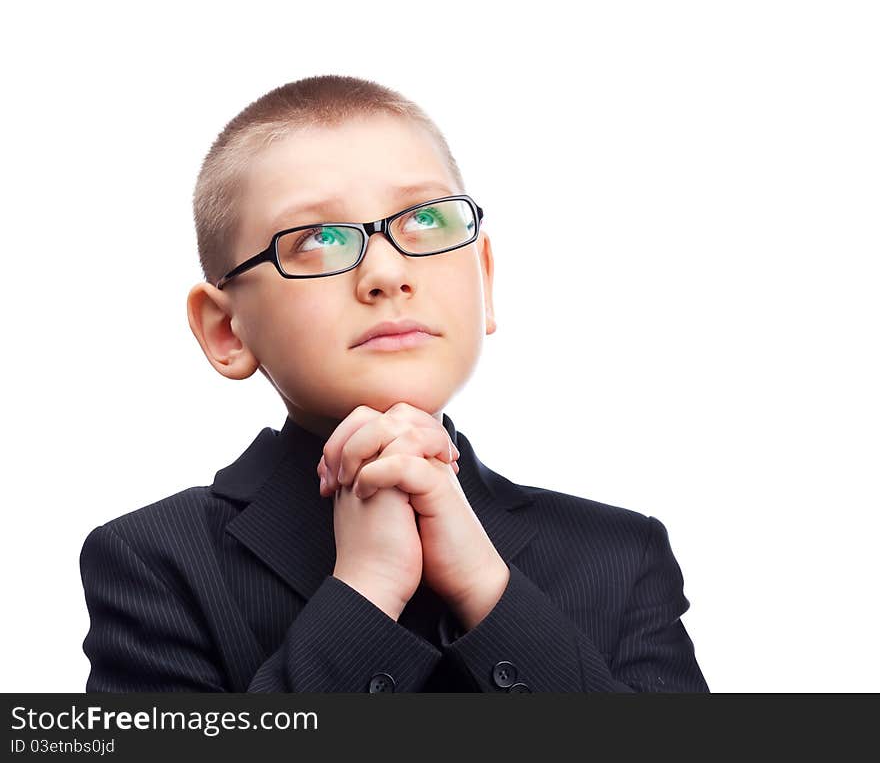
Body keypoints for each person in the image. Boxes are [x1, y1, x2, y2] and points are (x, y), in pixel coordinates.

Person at [79, 74, 709, 693]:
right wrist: (365, 592)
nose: (386, 272)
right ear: (226, 329)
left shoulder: (622, 558)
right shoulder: (158, 564)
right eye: (317, 239)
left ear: (483, 278)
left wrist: (490, 591)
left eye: (427, 222)